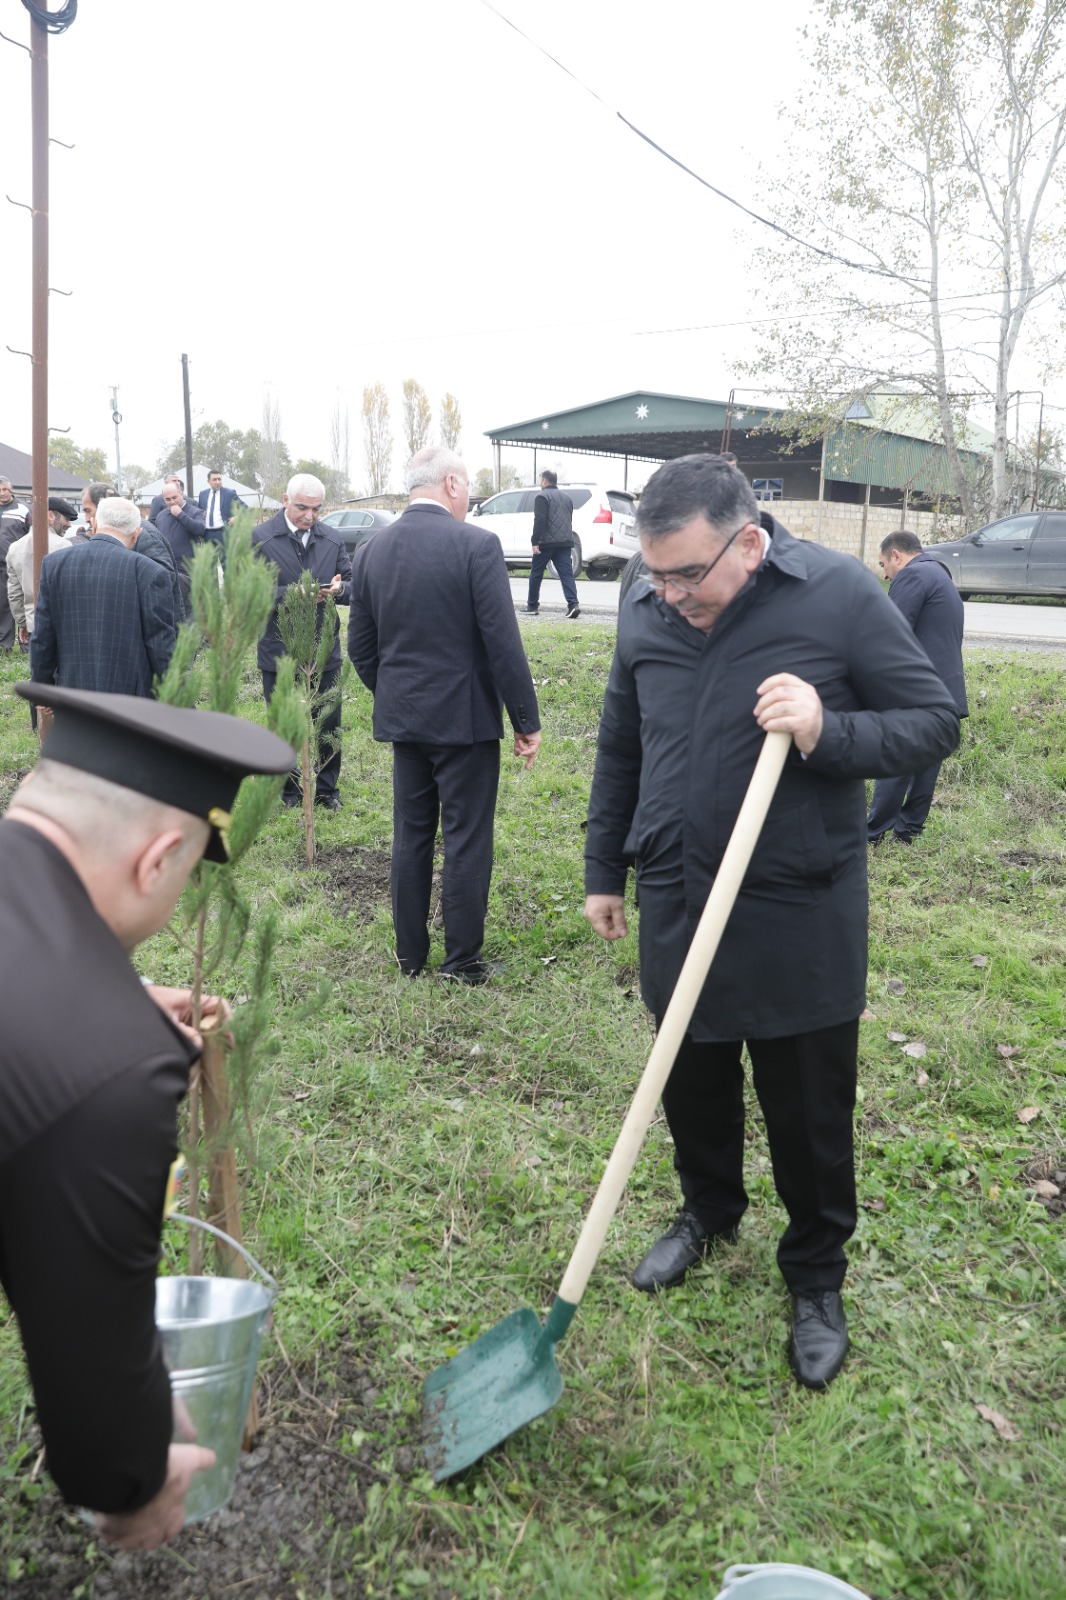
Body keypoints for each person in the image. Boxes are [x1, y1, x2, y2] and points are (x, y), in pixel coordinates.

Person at [583, 455, 960, 1389]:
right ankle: (709, 1210)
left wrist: (828, 728)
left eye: (687, 575)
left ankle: (816, 1274)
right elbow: (623, 740)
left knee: (807, 1109)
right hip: (678, 891)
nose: (668, 595)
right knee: (691, 1079)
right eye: (653, 574)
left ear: (749, 543)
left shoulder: (836, 595)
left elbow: (932, 720)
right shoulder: (648, 599)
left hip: (798, 904)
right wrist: (604, 869)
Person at [0, 681, 296, 1548]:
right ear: (160, 858)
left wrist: (103, 994)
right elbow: (90, 1336)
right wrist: (132, 1481)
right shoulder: (112, 1071)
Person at [348, 446, 541, 983]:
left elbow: (360, 646)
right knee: (466, 838)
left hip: (405, 721)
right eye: (469, 487)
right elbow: (502, 641)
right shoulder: (476, 544)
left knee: (410, 836)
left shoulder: (371, 550)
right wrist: (525, 720)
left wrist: (395, 692)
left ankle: (409, 956)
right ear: (452, 484)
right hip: (465, 721)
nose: (469, 497)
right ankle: (462, 962)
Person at [252, 472, 352, 810]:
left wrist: (340, 589)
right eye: (302, 507)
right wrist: (294, 594)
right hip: (278, 649)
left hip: (324, 649)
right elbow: (250, 592)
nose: (310, 516)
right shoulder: (260, 538)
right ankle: (290, 791)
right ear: (285, 500)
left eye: (317, 509)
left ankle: (327, 790)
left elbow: (353, 583)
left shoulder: (332, 539)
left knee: (328, 721)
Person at [867, 530, 968, 844]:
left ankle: (872, 832)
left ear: (896, 555)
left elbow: (890, 633)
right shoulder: (940, 576)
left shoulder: (912, 576)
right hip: (944, 688)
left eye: (884, 564)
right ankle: (908, 830)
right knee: (925, 763)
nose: (885, 574)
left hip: (917, 689)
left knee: (897, 757)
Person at [31, 497, 177, 697]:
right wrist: (180, 701)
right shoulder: (149, 571)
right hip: (130, 700)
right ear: (137, 534)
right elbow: (161, 645)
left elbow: (43, 638)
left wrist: (41, 690)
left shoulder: (54, 564)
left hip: (71, 695)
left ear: (94, 524)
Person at [7, 496, 78, 647]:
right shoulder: (65, 546)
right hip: (60, 623)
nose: (69, 525)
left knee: (36, 662)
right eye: (66, 519)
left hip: (33, 623)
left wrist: (22, 623)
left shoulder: (14, 548)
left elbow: (15, 593)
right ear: (50, 516)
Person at [524, 469, 580, 619]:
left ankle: (532, 605)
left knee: (536, 573)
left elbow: (540, 519)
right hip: (565, 542)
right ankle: (573, 604)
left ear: (544, 481)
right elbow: (567, 519)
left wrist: (535, 541)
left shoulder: (542, 496)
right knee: (566, 574)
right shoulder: (567, 498)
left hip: (546, 543)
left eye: (541, 480)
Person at [153, 482, 212, 607]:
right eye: (167, 499)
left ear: (181, 493)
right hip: (168, 567)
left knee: (189, 606)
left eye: (174, 497)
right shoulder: (161, 516)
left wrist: (180, 515)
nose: (172, 502)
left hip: (188, 569)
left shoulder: (195, 512)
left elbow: (200, 529)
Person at [0, 478, 28, 650]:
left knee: (20, 603)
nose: (2, 493)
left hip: (16, 565)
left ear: (11, 489)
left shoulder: (23, 509)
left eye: (5, 489)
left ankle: (27, 644)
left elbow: (32, 534)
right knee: (2, 605)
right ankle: (4, 646)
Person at [198, 469, 245, 537]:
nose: (217, 482)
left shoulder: (229, 493)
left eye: (219, 479)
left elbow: (245, 508)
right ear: (208, 481)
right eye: (214, 479)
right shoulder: (202, 494)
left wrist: (237, 518)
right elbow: (199, 512)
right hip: (206, 534)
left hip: (224, 533)